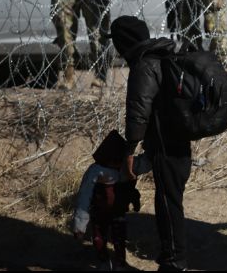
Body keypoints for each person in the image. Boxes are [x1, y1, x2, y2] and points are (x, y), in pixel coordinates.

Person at [110, 15, 198, 271]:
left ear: (122, 43)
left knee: (168, 205)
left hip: (165, 144)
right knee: (170, 199)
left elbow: (138, 111)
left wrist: (129, 151)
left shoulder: (145, 65)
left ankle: (174, 262)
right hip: (177, 140)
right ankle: (172, 257)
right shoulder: (162, 55)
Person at [72, 129, 150, 270]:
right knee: (99, 237)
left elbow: (143, 165)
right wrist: (80, 225)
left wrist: (152, 146)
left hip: (118, 212)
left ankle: (119, 264)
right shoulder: (96, 171)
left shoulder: (126, 166)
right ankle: (104, 262)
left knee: (119, 239)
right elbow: (84, 197)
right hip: (100, 212)